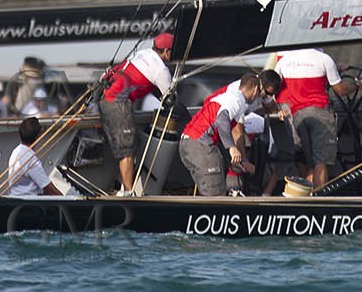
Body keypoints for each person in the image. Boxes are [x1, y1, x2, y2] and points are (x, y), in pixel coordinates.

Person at [273, 48, 360, 189]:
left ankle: (305, 198)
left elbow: (271, 84)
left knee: (308, 160)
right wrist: (357, 85)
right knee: (320, 160)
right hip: (321, 114)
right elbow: (340, 89)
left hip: (298, 116)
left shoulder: (284, 61)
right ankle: (319, 199)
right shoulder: (324, 58)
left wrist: (277, 109)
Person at [100, 33, 175, 195]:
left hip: (107, 99)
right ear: (167, 52)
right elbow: (169, 99)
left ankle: (121, 187)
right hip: (118, 102)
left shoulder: (142, 53)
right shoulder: (161, 70)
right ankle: (127, 193)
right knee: (127, 150)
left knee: (131, 146)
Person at [177, 74, 260, 196]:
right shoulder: (237, 100)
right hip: (200, 143)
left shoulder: (228, 98)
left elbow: (232, 131)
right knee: (215, 193)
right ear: (256, 90)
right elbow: (222, 120)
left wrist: (237, 160)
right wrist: (231, 148)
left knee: (212, 187)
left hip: (190, 142)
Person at [4, 117, 70, 196]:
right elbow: (47, 187)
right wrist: (65, 200)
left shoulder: (16, 151)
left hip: (15, 197)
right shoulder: (30, 159)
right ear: (38, 136)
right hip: (28, 201)